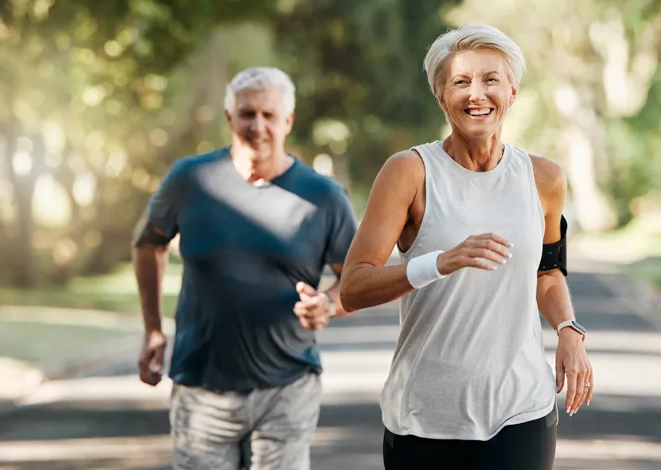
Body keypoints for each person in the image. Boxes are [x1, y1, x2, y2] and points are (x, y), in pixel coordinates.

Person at [339, 24, 594, 470]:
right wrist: (437, 263)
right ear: (441, 95)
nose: (477, 94)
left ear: (512, 92)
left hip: (521, 409)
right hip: (424, 414)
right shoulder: (409, 172)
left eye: (490, 79)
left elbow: (548, 272)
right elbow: (353, 288)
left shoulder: (544, 178)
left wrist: (569, 329)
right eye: (461, 82)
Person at [131, 66, 358, 470]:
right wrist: (152, 327)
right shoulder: (190, 179)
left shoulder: (324, 197)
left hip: (288, 385)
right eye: (247, 113)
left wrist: (328, 303)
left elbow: (356, 279)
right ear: (229, 117)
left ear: (288, 120)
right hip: (201, 389)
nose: (258, 126)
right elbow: (148, 243)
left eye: (269, 115)